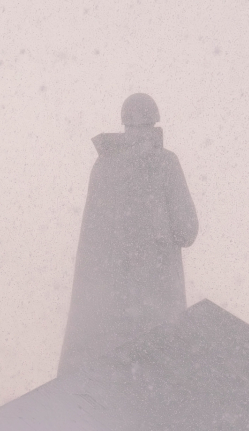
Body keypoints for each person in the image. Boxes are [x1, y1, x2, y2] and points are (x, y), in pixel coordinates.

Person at [58, 93, 199, 376]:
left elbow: (91, 244)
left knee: (118, 375)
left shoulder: (104, 168)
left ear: (124, 125)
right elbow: (187, 230)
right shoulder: (164, 163)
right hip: (155, 296)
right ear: (154, 125)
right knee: (159, 372)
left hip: (108, 307)